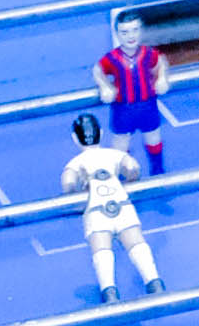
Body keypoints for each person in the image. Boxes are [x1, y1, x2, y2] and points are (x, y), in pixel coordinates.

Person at [64, 115, 160, 300]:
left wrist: (78, 197)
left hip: (95, 209)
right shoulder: (113, 154)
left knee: (102, 250)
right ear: (100, 133)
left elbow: (68, 184)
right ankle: (154, 281)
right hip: (121, 203)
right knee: (137, 243)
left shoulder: (75, 163)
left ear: (75, 138)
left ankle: (109, 291)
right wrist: (129, 182)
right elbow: (132, 168)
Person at [100, 14, 172, 173]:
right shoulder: (112, 58)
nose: (130, 36)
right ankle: (121, 174)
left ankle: (158, 171)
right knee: (121, 143)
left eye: (134, 30)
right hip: (123, 108)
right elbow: (98, 70)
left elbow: (160, 63)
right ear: (117, 33)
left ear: (141, 30)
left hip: (147, 104)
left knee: (153, 138)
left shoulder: (148, 53)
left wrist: (162, 78)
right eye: (124, 32)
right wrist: (105, 86)